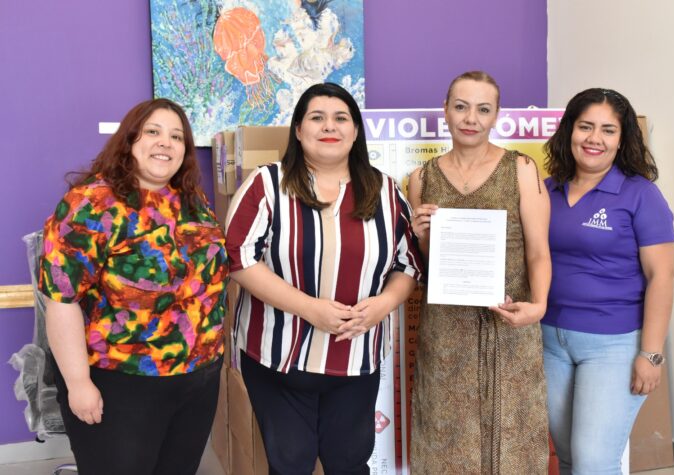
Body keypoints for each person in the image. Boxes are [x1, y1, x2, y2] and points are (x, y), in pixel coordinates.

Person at [225, 82, 423, 475]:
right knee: (291, 464)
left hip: (357, 359)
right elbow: (238, 256)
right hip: (278, 358)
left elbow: (409, 263)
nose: (329, 126)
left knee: (349, 463)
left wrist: (382, 305)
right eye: (317, 118)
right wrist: (309, 309)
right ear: (299, 130)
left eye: (340, 118)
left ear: (355, 130)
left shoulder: (385, 191)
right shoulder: (268, 184)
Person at [39, 98, 228, 475]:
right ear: (129, 139)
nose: (166, 142)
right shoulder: (91, 204)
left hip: (197, 378)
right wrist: (78, 383)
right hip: (120, 381)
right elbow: (61, 299)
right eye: (153, 132)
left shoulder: (192, 200)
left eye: (177, 136)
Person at [408, 70, 552, 473]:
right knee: (447, 435)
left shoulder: (521, 168)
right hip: (446, 332)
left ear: (496, 116)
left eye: (483, 109)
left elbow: (539, 252)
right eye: (461, 107)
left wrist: (539, 305)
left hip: (509, 322)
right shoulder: (421, 178)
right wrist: (421, 235)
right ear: (445, 110)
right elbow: (429, 261)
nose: (471, 118)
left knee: (513, 434)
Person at [542, 88, 674, 474]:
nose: (594, 138)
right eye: (585, 126)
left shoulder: (641, 195)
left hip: (613, 345)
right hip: (549, 341)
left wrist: (651, 354)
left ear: (622, 138)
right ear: (570, 130)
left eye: (608, 130)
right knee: (569, 459)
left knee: (594, 463)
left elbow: (662, 276)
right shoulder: (547, 190)